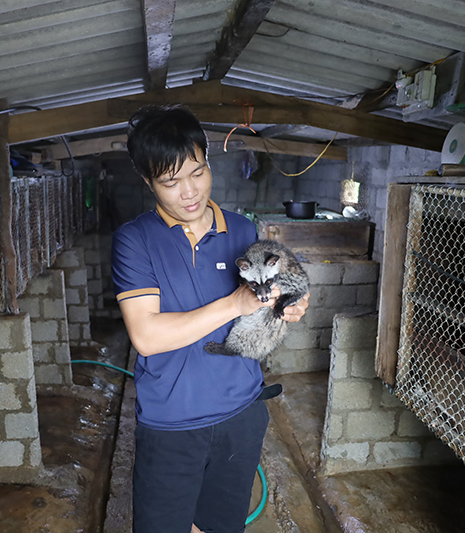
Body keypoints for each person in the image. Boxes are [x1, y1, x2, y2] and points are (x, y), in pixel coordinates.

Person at [111, 104, 310, 533]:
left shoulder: (242, 229)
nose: (189, 192)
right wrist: (234, 304)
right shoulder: (135, 240)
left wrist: (289, 304)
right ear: (148, 182)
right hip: (171, 425)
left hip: (241, 415)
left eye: (197, 173)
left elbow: (273, 294)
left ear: (207, 159)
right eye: (171, 182)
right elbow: (146, 336)